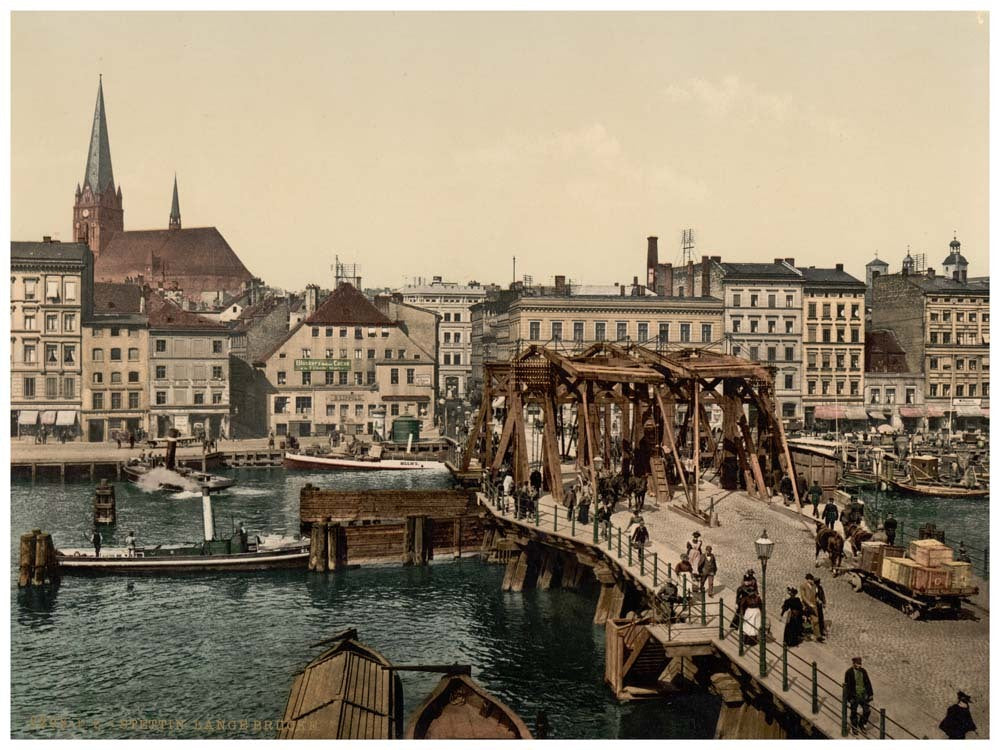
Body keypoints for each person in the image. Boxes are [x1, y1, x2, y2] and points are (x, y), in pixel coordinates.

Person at [843, 657, 874, 734]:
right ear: (853, 664)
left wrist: (870, 694)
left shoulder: (863, 671)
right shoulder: (849, 672)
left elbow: (868, 683)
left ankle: (862, 724)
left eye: (860, 664)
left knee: (867, 711)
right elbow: (848, 687)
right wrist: (849, 698)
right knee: (854, 712)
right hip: (854, 696)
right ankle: (854, 727)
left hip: (863, 695)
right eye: (857, 664)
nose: (859, 666)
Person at [800, 574, 823, 642]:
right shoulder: (803, 586)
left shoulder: (814, 586)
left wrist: (818, 600)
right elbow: (803, 596)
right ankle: (805, 634)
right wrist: (809, 603)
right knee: (805, 620)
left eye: (812, 579)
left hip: (813, 605)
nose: (811, 581)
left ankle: (818, 636)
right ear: (807, 580)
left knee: (816, 620)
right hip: (805, 606)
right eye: (810, 579)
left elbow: (815, 596)